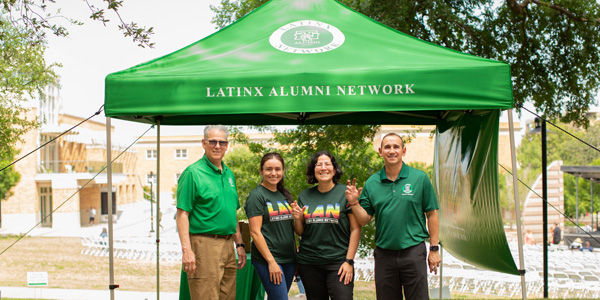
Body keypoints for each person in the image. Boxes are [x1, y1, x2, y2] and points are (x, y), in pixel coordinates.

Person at [346, 133, 440, 300]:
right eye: (387, 147)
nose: (392, 150)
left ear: (403, 151)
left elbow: (432, 214)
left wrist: (433, 249)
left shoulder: (420, 178)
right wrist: (354, 203)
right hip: (384, 255)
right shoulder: (372, 183)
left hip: (413, 251)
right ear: (380, 151)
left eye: (396, 147)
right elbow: (364, 220)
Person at [176, 125, 246, 300]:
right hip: (204, 244)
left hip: (228, 245)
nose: (217, 146)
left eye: (221, 142)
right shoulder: (192, 173)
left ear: (227, 145)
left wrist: (240, 244)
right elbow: (182, 214)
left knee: (228, 297)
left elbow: (232, 212)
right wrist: (187, 250)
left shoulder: (229, 174)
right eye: (212, 141)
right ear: (203, 143)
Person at [290, 151, 361, 300]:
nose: (323, 168)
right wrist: (297, 219)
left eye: (327, 164)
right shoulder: (305, 195)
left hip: (339, 262)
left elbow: (355, 229)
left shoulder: (345, 193)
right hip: (309, 263)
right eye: (319, 164)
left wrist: (349, 261)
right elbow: (301, 232)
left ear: (334, 170)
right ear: (313, 170)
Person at [244, 153, 297, 299]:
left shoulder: (284, 195)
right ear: (261, 171)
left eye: (278, 169)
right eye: (269, 169)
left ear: (283, 171)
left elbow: (288, 229)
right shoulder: (257, 196)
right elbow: (255, 232)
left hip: (289, 258)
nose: (273, 173)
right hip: (269, 259)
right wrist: (271, 262)